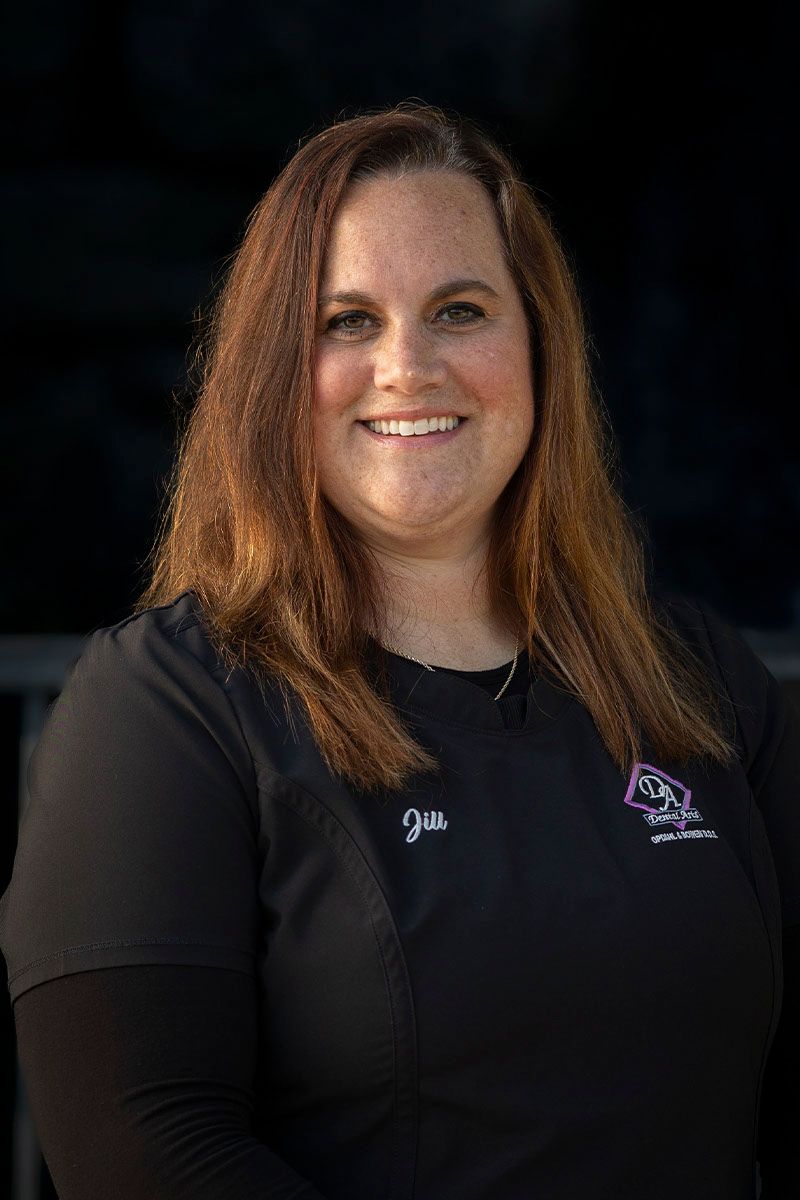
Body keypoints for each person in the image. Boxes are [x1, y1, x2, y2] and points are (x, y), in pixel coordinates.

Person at [0, 103, 797, 1200]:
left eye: (458, 309)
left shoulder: (702, 688)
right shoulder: (169, 705)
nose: (406, 365)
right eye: (346, 322)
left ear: (537, 345)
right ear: (273, 370)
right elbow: (147, 1144)